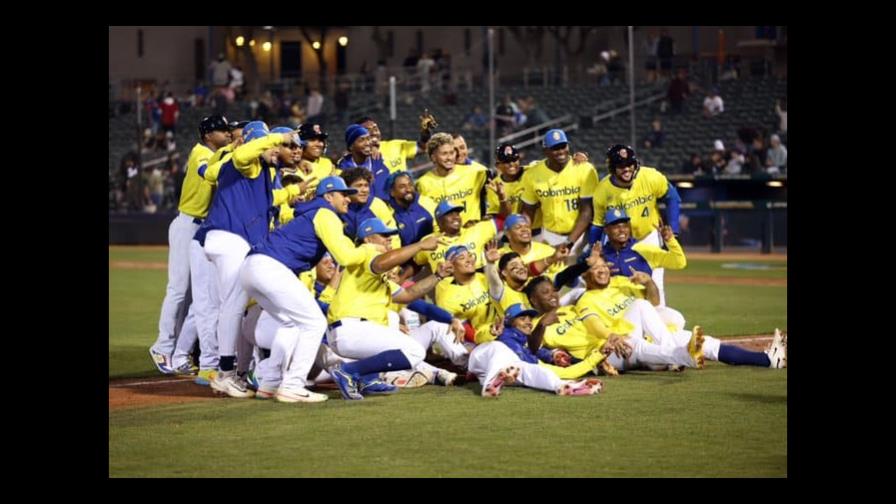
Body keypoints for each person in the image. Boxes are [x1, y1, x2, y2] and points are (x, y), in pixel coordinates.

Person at [194, 122, 306, 398]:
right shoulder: (248, 162)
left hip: (231, 240)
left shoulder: (262, 172)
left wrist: (294, 192)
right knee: (232, 305)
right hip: (229, 237)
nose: (278, 150)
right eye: (273, 146)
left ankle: (238, 371)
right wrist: (275, 137)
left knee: (244, 304)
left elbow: (267, 201)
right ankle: (225, 373)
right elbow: (243, 154)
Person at [238, 177, 370, 402]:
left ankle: (269, 384)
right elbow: (346, 257)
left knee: (289, 324)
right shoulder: (325, 213)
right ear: (328, 197)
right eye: (343, 194)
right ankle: (293, 384)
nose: (348, 198)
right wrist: (367, 249)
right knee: (314, 323)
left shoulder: (312, 214)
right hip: (270, 266)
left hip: (251, 268)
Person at [324, 218, 462, 400]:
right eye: (383, 235)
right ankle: (348, 372)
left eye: (390, 235)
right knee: (415, 351)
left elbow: (408, 295)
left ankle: (366, 379)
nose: (389, 239)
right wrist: (420, 245)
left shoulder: (378, 278)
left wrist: (437, 276)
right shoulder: (366, 252)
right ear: (368, 239)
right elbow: (382, 263)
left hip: (349, 333)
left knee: (395, 335)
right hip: (351, 328)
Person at [576, 256, 787, 371]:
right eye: (596, 268)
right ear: (585, 276)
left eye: (604, 265)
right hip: (619, 349)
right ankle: (673, 356)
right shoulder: (585, 299)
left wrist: (649, 282)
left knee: (705, 342)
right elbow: (594, 324)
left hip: (647, 338)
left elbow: (655, 304)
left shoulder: (621, 282)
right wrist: (611, 336)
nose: (603, 270)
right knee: (640, 306)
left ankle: (767, 359)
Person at [149, 115, 232, 375]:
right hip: (188, 224)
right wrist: (234, 149)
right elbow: (205, 173)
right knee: (178, 289)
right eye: (222, 130)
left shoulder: (216, 153)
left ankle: (179, 353)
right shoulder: (200, 153)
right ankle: (162, 346)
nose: (228, 134)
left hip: (203, 227)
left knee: (198, 296)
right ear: (208, 135)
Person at [590, 144, 681, 306]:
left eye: (629, 164)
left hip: (649, 237)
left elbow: (672, 197)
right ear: (612, 167)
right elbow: (597, 225)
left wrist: (673, 229)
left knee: (655, 283)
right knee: (613, 284)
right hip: (618, 243)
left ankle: (658, 322)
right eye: (621, 165)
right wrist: (593, 250)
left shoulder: (650, 176)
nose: (626, 169)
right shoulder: (603, 190)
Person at [467, 304, 604, 398]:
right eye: (522, 318)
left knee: (531, 369)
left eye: (530, 318)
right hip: (480, 358)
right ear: (509, 322)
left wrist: (552, 354)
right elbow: (479, 336)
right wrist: (491, 332)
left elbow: (540, 353)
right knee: (500, 349)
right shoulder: (502, 333)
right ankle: (490, 384)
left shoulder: (525, 343)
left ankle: (562, 386)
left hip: (495, 370)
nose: (528, 322)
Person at [520, 129, 598, 251]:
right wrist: (523, 233)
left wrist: (569, 242)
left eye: (563, 146)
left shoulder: (584, 169)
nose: (561, 151)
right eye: (555, 148)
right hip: (548, 235)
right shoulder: (532, 174)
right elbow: (528, 210)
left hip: (579, 237)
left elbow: (587, 211)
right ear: (546, 151)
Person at [415, 132, 488, 225]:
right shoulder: (423, 184)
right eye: (444, 154)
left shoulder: (475, 173)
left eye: (451, 153)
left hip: (473, 235)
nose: (449, 157)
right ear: (433, 157)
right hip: (442, 237)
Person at [355, 114, 436, 173]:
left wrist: (426, 133)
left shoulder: (396, 145)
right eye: (367, 130)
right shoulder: (355, 158)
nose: (374, 132)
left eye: (375, 128)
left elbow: (423, 147)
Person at [336, 124, 391, 201]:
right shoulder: (343, 170)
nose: (367, 143)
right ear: (351, 146)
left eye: (368, 139)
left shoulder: (379, 163)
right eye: (362, 140)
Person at [384, 170, 438, 247]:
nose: (408, 189)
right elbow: (394, 244)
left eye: (410, 185)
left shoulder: (426, 202)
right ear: (392, 192)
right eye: (402, 187)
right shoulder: (388, 213)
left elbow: (439, 229)